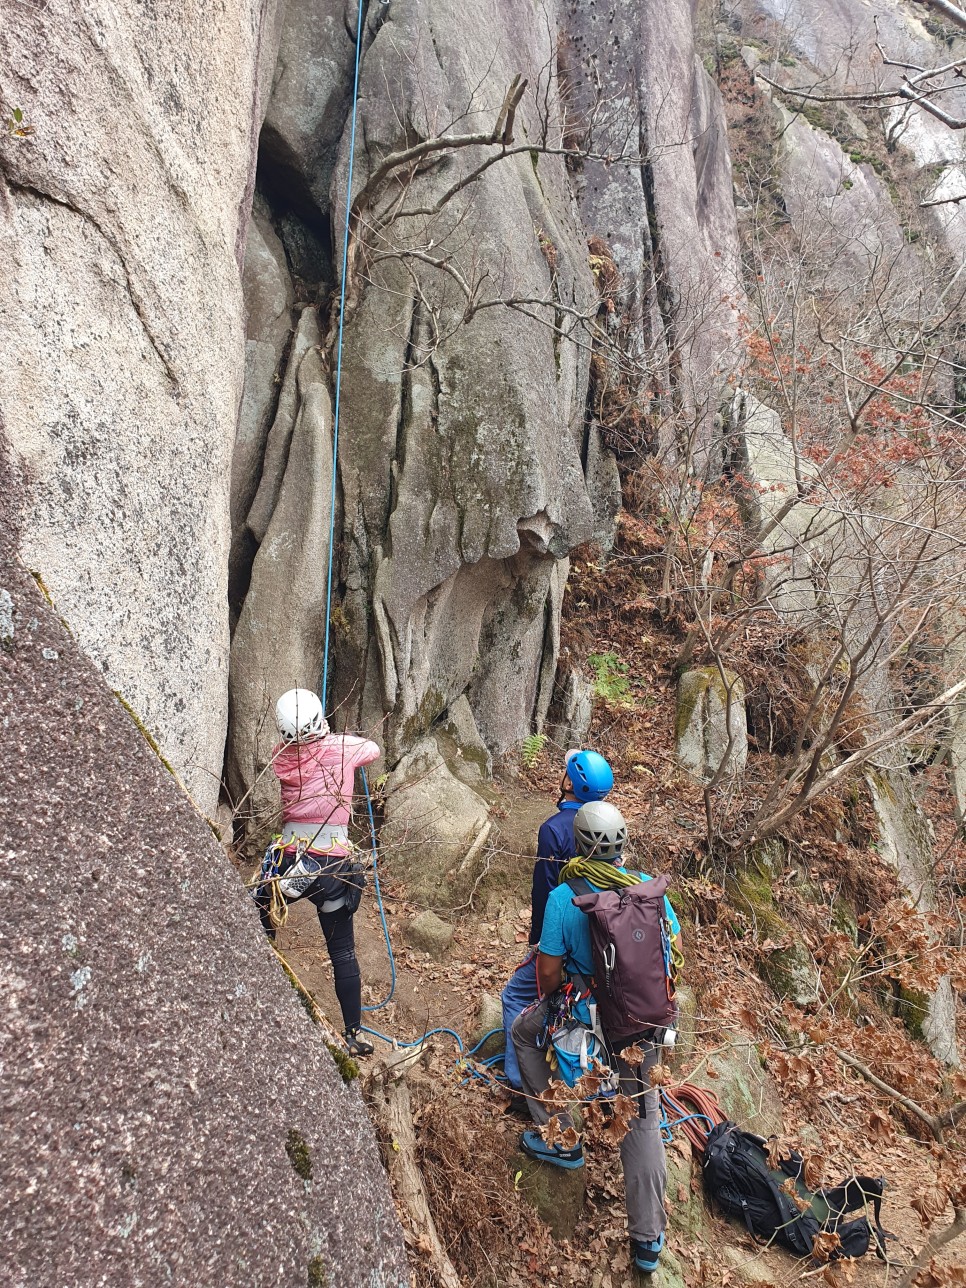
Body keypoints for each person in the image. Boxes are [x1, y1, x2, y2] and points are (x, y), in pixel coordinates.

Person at [510, 801, 681, 1276]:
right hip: (643, 1024)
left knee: (523, 1033)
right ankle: (648, 1241)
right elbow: (675, 950)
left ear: (580, 844)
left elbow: (546, 972)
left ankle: (560, 1137)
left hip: (587, 1018)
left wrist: (554, 1005)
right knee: (643, 1119)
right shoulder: (648, 890)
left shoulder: (567, 897)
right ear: (623, 842)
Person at [255, 687, 380, 1057]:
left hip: (289, 858)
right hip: (331, 863)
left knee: (258, 915)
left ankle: (258, 994)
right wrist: (334, 738)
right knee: (342, 951)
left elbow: (295, 750)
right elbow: (371, 750)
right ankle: (353, 1033)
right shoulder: (342, 748)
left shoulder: (281, 757)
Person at [500, 749, 614, 1095]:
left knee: (515, 997)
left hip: (561, 940)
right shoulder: (606, 825)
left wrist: (537, 942)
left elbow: (544, 891)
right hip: (599, 944)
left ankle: (521, 1083)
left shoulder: (554, 829)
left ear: (569, 783)